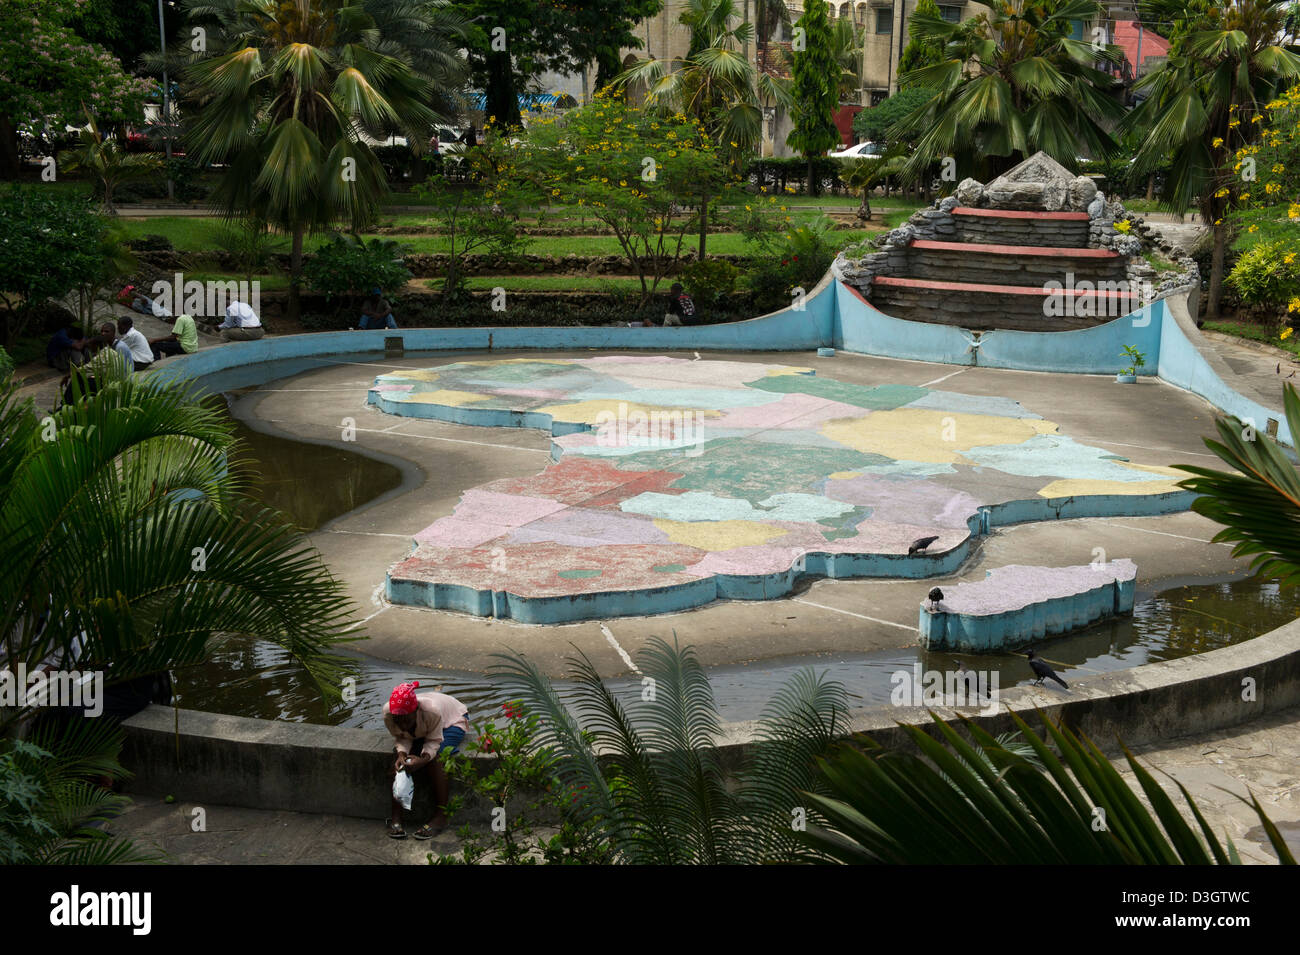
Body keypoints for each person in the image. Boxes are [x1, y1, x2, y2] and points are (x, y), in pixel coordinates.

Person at [383, 681, 469, 840]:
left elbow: (434, 741)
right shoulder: (389, 714)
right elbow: (402, 736)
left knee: (436, 759)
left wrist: (423, 760)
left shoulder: (431, 712)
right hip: (425, 723)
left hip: (451, 720)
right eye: (398, 720)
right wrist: (402, 755)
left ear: (415, 711)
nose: (401, 724)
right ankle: (396, 817)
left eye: (406, 720)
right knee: (397, 764)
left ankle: (441, 816)